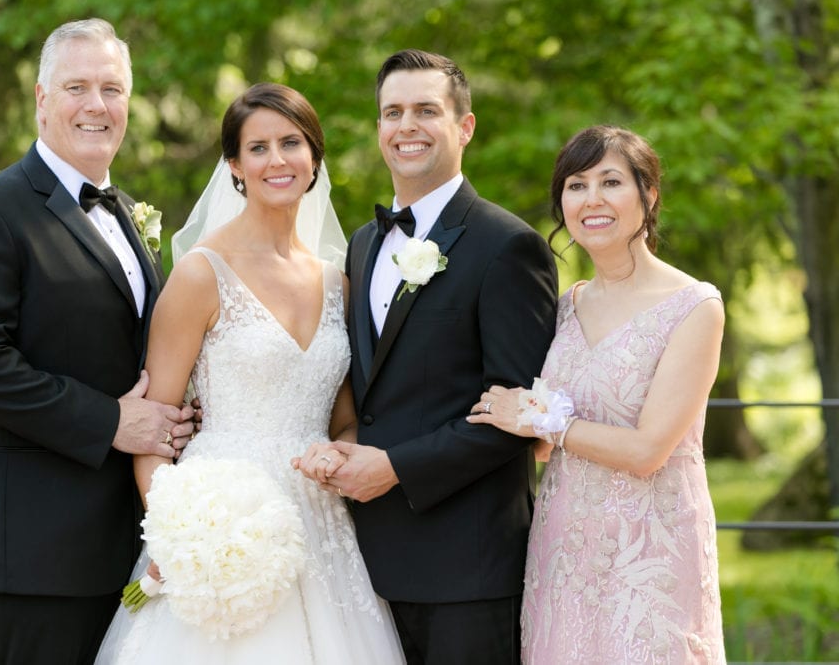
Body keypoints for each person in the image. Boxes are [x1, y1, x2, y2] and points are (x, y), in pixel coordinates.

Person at [94, 82, 405, 664]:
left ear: (314, 158)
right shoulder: (200, 274)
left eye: (291, 143)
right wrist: (178, 538)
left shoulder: (338, 284)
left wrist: (342, 453)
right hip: (218, 523)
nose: (277, 160)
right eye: (257, 148)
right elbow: (154, 429)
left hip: (319, 524)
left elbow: (344, 421)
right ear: (234, 166)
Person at [0, 18, 195, 664]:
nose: (97, 105)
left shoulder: (128, 213)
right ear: (42, 100)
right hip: (32, 556)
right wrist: (111, 421)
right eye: (77, 86)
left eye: (112, 88)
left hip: (119, 548)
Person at [298, 49, 559, 664]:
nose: (406, 126)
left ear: (464, 126)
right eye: (392, 112)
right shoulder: (363, 245)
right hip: (365, 566)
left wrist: (396, 467)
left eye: (425, 110)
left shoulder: (509, 246)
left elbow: (517, 415)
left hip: (467, 567)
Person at [468, 125, 727, 663]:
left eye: (611, 182)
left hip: (650, 550)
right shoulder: (565, 307)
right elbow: (540, 446)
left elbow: (647, 450)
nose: (592, 200)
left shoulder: (694, 307)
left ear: (648, 195)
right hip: (563, 549)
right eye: (576, 185)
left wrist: (544, 423)